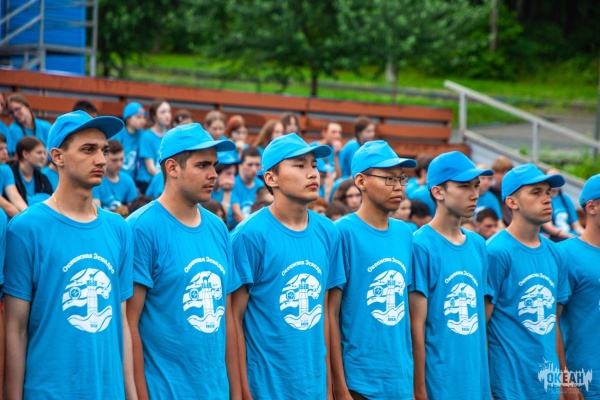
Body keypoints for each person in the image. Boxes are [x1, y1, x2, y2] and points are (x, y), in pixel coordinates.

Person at [4, 110, 135, 398]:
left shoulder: (119, 228)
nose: (101, 160)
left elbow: (122, 324)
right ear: (57, 156)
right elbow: (15, 330)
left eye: (104, 150)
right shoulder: (26, 228)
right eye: (88, 150)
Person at [126, 123, 241, 399]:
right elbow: (129, 325)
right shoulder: (141, 228)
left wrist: (235, 392)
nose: (213, 174)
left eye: (214, 165)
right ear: (172, 168)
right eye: (202, 165)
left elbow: (227, 319)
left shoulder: (218, 227)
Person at [230, 133, 345, 399]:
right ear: (271, 178)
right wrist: (243, 392)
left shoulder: (328, 231)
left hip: (314, 387)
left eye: (314, 165)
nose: (312, 173)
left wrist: (329, 388)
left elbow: (325, 315)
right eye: (300, 165)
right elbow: (234, 319)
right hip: (266, 388)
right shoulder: (249, 235)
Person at [330, 140, 416, 399]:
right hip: (360, 382)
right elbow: (330, 313)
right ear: (361, 181)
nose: (398, 186)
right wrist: (339, 387)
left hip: (400, 379)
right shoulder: (342, 232)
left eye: (401, 178)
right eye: (389, 178)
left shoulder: (405, 233)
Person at [409, 151, 493, 400]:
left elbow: (480, 320)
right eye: (464, 186)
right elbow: (416, 327)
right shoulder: (420, 245)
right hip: (439, 383)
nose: (474, 194)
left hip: (475, 381)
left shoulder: (478, 244)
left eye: (476, 186)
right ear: (438, 192)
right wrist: (419, 389)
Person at [486, 163, 570, 399]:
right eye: (536, 192)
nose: (547, 199)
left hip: (547, 386)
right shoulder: (496, 251)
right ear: (512, 202)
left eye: (548, 192)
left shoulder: (556, 253)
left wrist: (563, 380)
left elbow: (553, 322)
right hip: (508, 386)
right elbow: (482, 325)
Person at [558, 174, 600, 399]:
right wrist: (565, 381)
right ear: (591, 207)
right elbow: (550, 322)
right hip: (586, 381)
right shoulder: (565, 254)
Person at [136, 99, 171, 192]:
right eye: (163, 112)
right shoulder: (147, 136)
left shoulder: (170, 135)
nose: (167, 115)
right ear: (154, 116)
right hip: (147, 182)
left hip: (164, 179)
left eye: (169, 111)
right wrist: (167, 180)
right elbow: (150, 168)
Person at [92, 140, 138, 211]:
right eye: (114, 160)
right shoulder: (96, 181)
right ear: (104, 158)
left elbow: (135, 209)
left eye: (121, 159)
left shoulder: (128, 180)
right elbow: (96, 211)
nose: (119, 164)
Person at [542, 168, 584, 241]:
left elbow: (576, 226)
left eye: (558, 178)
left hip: (570, 236)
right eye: (552, 178)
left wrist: (586, 237)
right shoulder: (543, 199)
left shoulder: (565, 199)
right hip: (555, 238)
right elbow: (549, 227)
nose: (555, 181)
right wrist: (568, 236)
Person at [9, 136, 53, 204]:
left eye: (44, 153)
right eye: (39, 153)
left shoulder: (42, 178)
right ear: (25, 154)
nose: (43, 156)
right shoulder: (9, 174)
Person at [229, 146, 263, 228]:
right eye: (250, 165)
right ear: (240, 165)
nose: (254, 169)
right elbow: (236, 214)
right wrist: (252, 230)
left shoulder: (261, 185)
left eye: (257, 165)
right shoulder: (233, 183)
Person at [114, 102, 148, 180]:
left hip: (132, 177)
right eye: (138, 117)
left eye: (144, 117)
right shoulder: (119, 132)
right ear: (128, 119)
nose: (143, 121)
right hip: (117, 175)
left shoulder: (141, 133)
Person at [0, 134, 28, 217]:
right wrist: (27, 219)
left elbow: (15, 197)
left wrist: (29, 215)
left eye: (5, 148)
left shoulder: (5, 169)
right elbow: (6, 207)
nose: (5, 152)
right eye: (0, 149)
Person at [489, 155, 514, 226]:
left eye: (507, 172)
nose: (504, 176)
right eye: (502, 172)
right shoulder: (489, 192)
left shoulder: (513, 192)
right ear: (494, 173)